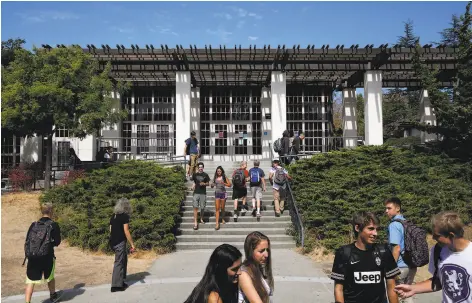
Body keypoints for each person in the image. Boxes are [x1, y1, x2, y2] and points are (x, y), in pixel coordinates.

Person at [395, 211, 472, 303]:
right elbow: (439, 281)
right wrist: (412, 288)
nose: (433, 238)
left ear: (451, 235)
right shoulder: (437, 251)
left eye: (437, 235)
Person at [331, 211, 400, 303]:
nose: (375, 233)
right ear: (357, 228)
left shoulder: (383, 251)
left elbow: (391, 286)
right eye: (370, 229)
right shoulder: (344, 253)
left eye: (377, 229)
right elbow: (338, 289)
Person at [24, 202, 63, 303]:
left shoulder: (34, 224)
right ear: (51, 211)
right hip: (47, 256)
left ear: (41, 211)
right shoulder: (53, 225)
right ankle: (53, 296)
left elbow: (27, 240)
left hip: (33, 256)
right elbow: (57, 242)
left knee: (30, 281)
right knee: (50, 277)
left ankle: (27, 301)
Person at [385, 197, 417, 303]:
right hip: (411, 265)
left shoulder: (394, 225)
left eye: (389, 208)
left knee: (397, 296)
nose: (386, 211)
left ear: (397, 208)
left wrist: (391, 267)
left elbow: (396, 248)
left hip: (400, 267)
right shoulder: (406, 223)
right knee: (407, 294)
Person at [238, 231, 274, 303]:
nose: (266, 255)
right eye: (261, 251)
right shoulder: (244, 274)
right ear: (250, 251)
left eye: (267, 250)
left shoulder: (258, 268)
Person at [109, 198, 136, 292]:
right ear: (126, 206)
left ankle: (121, 281)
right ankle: (116, 286)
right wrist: (132, 244)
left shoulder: (114, 216)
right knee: (119, 262)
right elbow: (126, 231)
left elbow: (110, 230)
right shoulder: (125, 216)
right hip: (120, 242)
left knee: (123, 260)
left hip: (113, 241)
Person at [211, 166, 232, 230]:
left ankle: (222, 218)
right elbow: (212, 185)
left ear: (222, 171)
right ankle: (217, 223)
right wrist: (212, 185)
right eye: (218, 171)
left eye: (220, 171)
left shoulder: (224, 177)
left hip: (223, 194)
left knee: (222, 208)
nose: (219, 172)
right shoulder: (215, 177)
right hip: (217, 194)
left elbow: (230, 184)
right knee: (217, 209)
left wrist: (224, 183)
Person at [192, 162, 210, 230]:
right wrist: (192, 187)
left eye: (201, 167)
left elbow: (208, 183)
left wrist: (204, 184)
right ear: (198, 168)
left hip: (203, 193)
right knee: (195, 207)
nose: (200, 168)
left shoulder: (205, 175)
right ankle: (195, 222)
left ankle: (201, 218)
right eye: (199, 167)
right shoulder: (195, 174)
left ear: (203, 168)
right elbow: (194, 182)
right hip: (196, 192)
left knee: (202, 207)